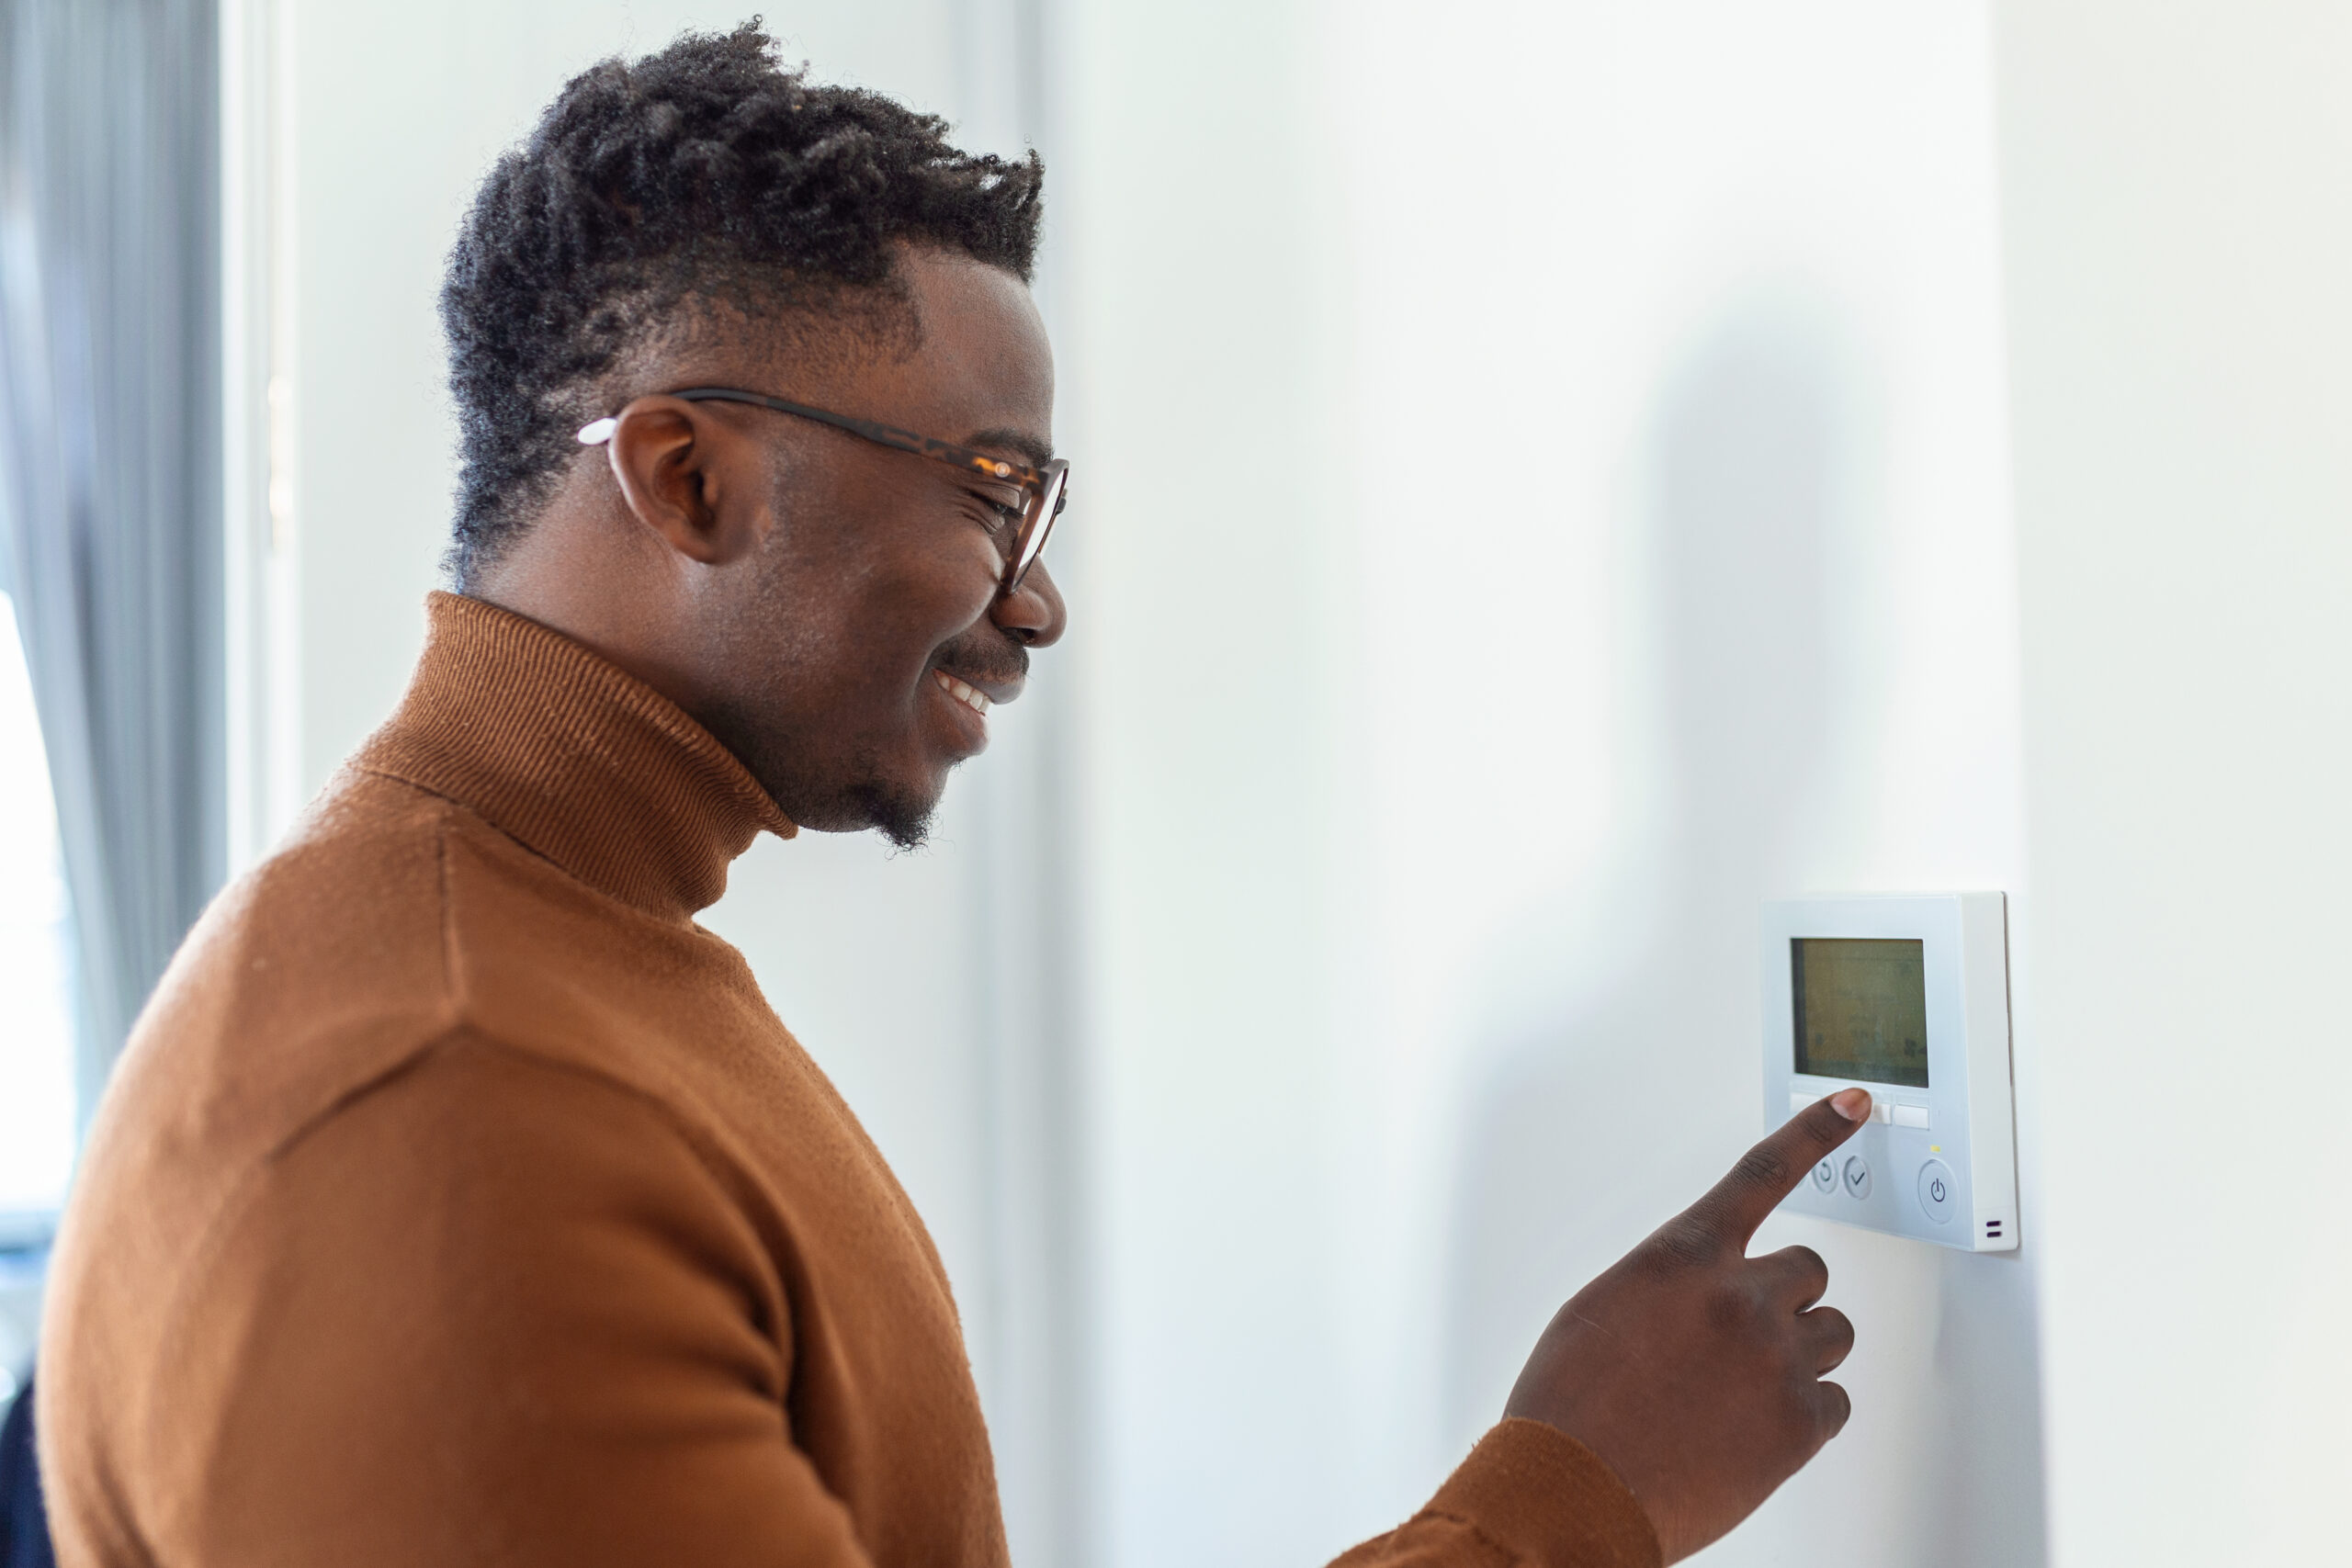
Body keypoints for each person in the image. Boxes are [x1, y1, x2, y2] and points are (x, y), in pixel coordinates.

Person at [37, 26, 1868, 1568]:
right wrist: (1563, 1501)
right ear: (684, 479)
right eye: (994, 490)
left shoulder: (552, 962)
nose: (1039, 599)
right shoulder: (451, 1103)